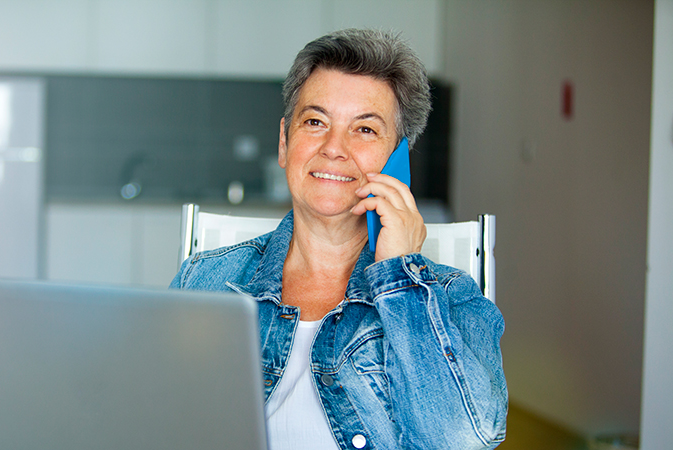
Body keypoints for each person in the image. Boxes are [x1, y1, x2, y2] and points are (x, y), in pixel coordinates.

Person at [170, 29, 507, 450]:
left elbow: (463, 439)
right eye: (315, 122)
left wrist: (400, 276)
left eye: (365, 130)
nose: (334, 148)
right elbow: (156, 419)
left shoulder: (453, 298)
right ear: (284, 141)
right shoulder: (206, 281)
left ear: (398, 160)